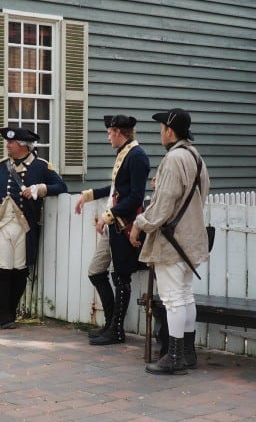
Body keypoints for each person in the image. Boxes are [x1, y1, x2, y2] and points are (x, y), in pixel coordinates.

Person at [130, 108, 210, 375]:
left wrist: (139, 224)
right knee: (185, 296)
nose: (160, 133)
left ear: (170, 131)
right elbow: (201, 193)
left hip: (172, 240)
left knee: (173, 299)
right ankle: (187, 354)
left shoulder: (174, 159)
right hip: (191, 239)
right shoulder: (195, 157)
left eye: (162, 128)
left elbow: (163, 206)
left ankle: (174, 357)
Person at [75, 115, 150, 345]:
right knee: (96, 272)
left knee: (121, 277)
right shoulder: (125, 153)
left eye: (109, 132)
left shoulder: (137, 156)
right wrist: (89, 195)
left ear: (119, 132)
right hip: (114, 225)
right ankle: (110, 325)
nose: (107, 136)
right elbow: (116, 188)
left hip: (124, 225)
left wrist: (108, 216)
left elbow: (135, 197)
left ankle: (116, 331)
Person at [0, 127, 67, 329]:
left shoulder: (41, 167)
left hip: (24, 227)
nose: (7, 145)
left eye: (11, 143)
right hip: (1, 225)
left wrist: (40, 189)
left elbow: (61, 186)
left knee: (19, 270)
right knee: (1, 269)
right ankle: (5, 317)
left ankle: (11, 311)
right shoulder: (1, 166)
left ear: (23, 145)